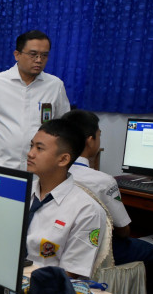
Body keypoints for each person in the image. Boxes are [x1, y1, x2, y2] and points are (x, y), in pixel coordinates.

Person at [62, 110, 153, 294]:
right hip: (98, 249)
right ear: (89, 140)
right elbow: (123, 230)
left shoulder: (53, 172)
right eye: (99, 135)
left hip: (61, 242)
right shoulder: (102, 181)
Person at [0, 30, 70, 169]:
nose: (38, 60)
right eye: (33, 54)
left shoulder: (55, 86)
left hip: (38, 169)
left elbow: (63, 124)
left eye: (44, 55)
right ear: (17, 55)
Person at [25, 119, 107, 278]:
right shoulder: (23, 192)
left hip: (44, 289)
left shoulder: (86, 210)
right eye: (31, 145)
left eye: (39, 148)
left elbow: (71, 272)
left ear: (63, 159)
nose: (30, 153)